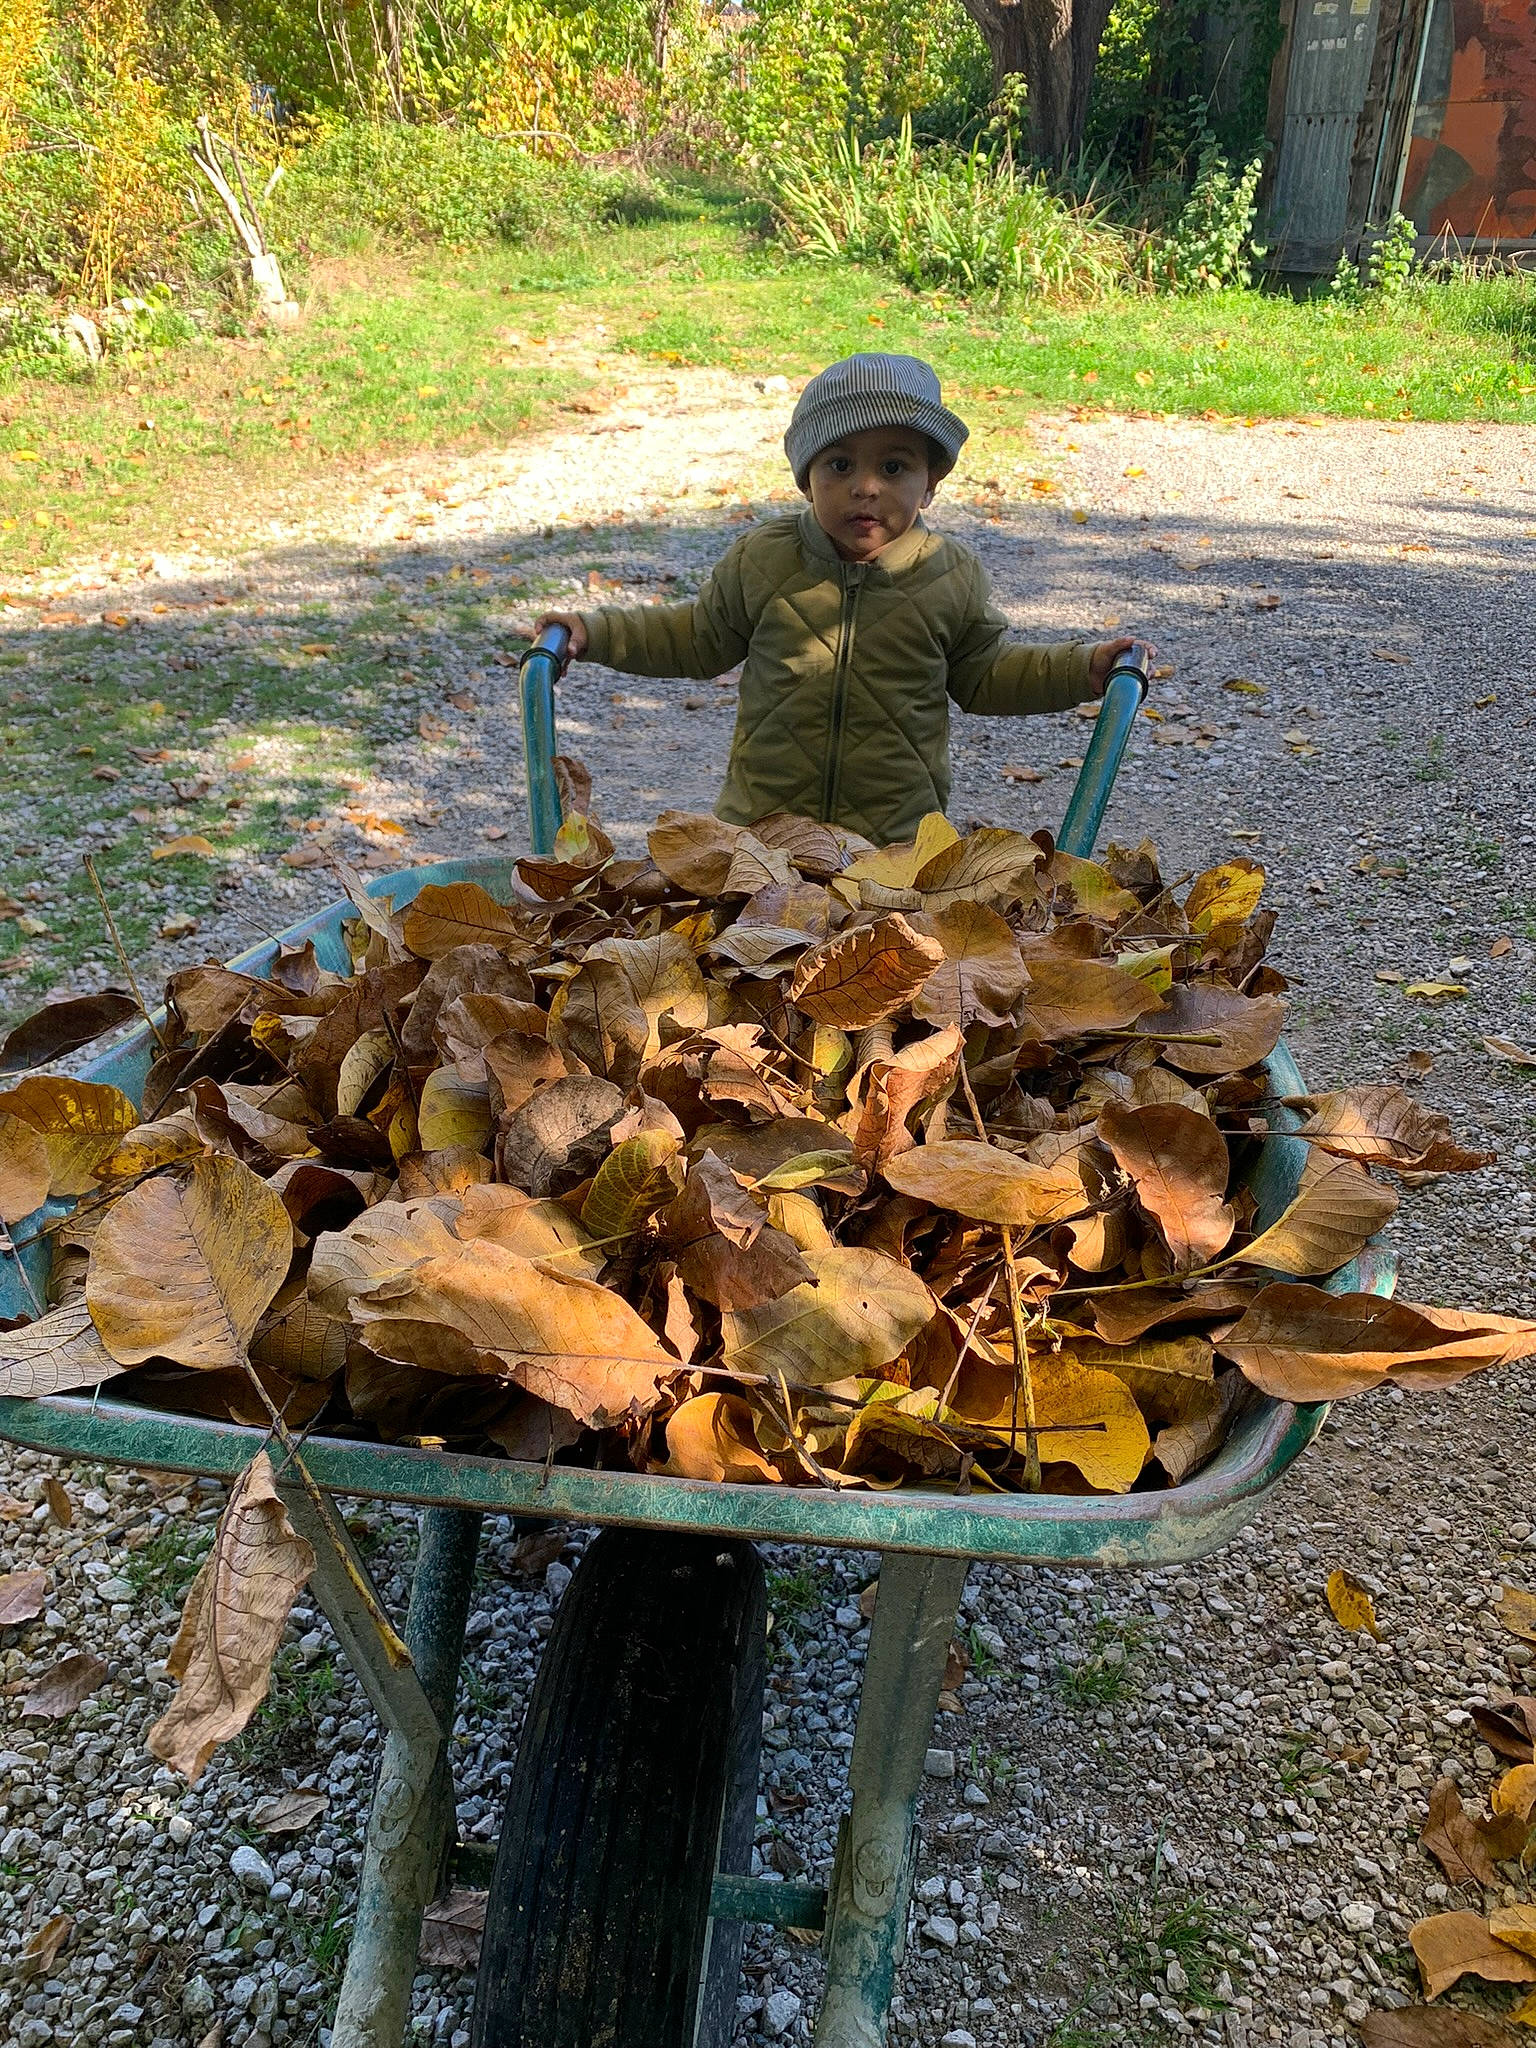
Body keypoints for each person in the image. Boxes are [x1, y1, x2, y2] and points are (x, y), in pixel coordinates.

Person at [535, 352, 1138, 847]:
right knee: (755, 966)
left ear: (930, 484)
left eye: (895, 466)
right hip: (763, 833)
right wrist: (595, 632)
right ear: (807, 479)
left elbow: (984, 674)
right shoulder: (765, 559)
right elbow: (695, 637)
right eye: (840, 464)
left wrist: (1077, 668)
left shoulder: (948, 575)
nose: (866, 486)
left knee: (878, 978)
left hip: (894, 842)